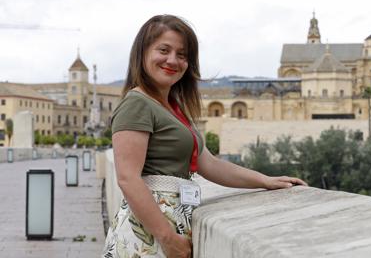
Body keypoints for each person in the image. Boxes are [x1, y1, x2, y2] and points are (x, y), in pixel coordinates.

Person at [102, 14, 307, 258]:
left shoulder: (170, 106)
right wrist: (168, 238)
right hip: (150, 232)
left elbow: (208, 163)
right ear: (142, 53)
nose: (173, 60)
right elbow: (127, 179)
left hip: (171, 221)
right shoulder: (137, 104)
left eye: (182, 55)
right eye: (164, 50)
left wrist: (265, 180)